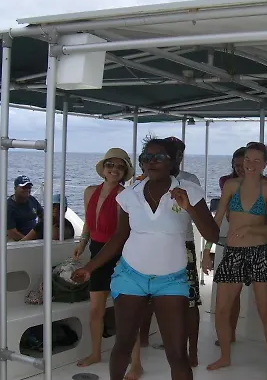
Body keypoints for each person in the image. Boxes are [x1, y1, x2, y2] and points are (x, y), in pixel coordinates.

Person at [71, 137, 220, 380]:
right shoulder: (130, 194)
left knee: (177, 354)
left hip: (171, 281)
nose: (152, 162)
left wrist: (189, 208)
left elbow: (212, 234)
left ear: (172, 161)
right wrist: (90, 267)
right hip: (131, 276)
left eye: (159, 157)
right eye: (146, 158)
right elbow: (119, 237)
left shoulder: (189, 191)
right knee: (123, 344)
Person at [207, 142, 267, 371]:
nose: (250, 164)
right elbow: (217, 219)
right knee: (221, 309)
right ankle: (225, 357)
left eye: (257, 160)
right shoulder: (230, 185)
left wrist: (250, 229)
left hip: (260, 252)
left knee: (266, 310)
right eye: (248, 159)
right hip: (233, 253)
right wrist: (207, 250)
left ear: (265, 164)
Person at [135, 136, 203, 371]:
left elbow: (198, 215)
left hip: (183, 246)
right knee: (146, 296)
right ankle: (144, 340)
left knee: (190, 301)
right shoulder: (144, 180)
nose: (176, 158)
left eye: (178, 154)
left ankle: (192, 351)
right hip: (150, 247)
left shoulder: (189, 181)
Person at [72, 148, 133, 368]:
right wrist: (82, 243)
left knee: (125, 311)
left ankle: (134, 361)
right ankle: (95, 353)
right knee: (95, 309)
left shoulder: (125, 195)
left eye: (120, 166)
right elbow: (89, 223)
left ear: (124, 171)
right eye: (110, 165)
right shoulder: (89, 192)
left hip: (119, 253)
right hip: (96, 251)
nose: (114, 169)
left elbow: (123, 232)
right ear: (103, 168)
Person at [202, 146, 246, 347]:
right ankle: (228, 335)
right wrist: (207, 249)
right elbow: (218, 218)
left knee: (261, 304)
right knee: (230, 294)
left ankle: (231, 333)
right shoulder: (226, 182)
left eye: (244, 164)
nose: (240, 169)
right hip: (232, 242)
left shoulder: (265, 185)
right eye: (237, 165)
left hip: (255, 245)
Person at [7, 175, 43, 241]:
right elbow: (12, 233)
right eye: (24, 187)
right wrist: (29, 242)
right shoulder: (8, 207)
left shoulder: (32, 199)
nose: (27, 189)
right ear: (15, 188)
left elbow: (43, 215)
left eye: (29, 187)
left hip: (33, 237)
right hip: (17, 241)